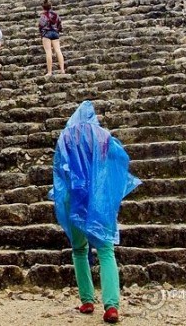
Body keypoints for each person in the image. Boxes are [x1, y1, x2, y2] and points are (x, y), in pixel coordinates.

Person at [51, 101, 141, 324]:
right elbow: (119, 160)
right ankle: (111, 306)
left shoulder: (66, 136)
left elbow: (59, 170)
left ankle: (87, 300)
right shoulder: (103, 136)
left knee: (79, 250)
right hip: (99, 198)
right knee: (106, 250)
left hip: (74, 196)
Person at [39, 0, 65, 76]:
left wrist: (42, 33)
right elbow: (59, 24)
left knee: (48, 52)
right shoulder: (55, 14)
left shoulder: (43, 15)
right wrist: (59, 30)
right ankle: (62, 70)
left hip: (46, 33)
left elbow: (41, 26)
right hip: (55, 33)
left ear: (43, 7)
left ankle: (50, 72)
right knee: (58, 51)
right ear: (51, 6)